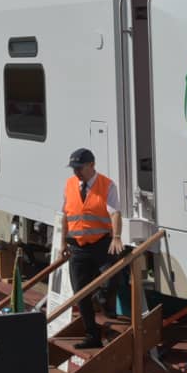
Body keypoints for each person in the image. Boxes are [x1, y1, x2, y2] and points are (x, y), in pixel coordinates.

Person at [60, 148, 123, 349]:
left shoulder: (106, 185)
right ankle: (92, 335)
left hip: (101, 242)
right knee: (80, 293)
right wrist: (62, 242)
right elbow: (65, 215)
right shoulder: (70, 185)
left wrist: (117, 237)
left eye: (80, 168)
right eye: (74, 169)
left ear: (91, 166)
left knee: (112, 277)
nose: (76, 172)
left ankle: (103, 300)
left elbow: (115, 213)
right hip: (77, 246)